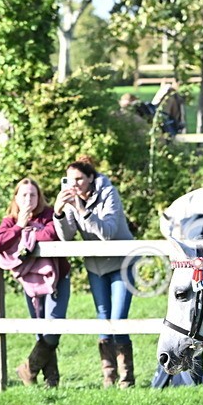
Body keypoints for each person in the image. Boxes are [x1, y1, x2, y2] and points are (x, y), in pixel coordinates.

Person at [53, 156, 137, 388]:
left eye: (79, 179)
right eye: (70, 180)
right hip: (96, 266)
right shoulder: (70, 198)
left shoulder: (109, 193)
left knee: (118, 319)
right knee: (103, 319)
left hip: (122, 263)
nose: (75, 184)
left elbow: (107, 233)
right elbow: (66, 236)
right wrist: (59, 213)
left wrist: (82, 209)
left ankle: (127, 379)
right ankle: (108, 377)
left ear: (91, 178)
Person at [0, 178, 69, 387]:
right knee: (40, 332)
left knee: (53, 330)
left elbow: (51, 234)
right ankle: (51, 381)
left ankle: (27, 369)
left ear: (39, 196)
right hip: (31, 283)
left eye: (32, 194)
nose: (28, 199)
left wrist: (25, 234)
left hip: (57, 279)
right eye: (24, 195)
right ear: (16, 198)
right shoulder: (11, 220)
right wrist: (19, 227)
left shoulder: (49, 214)